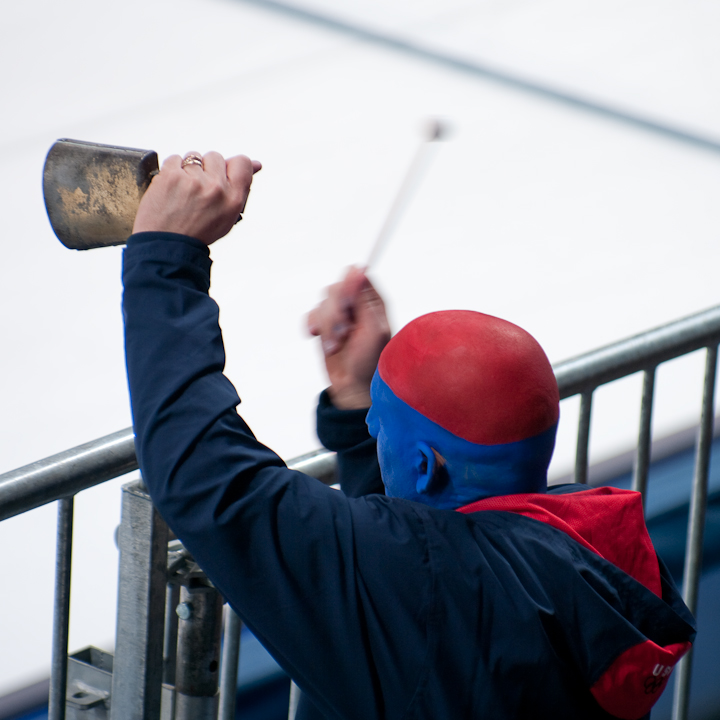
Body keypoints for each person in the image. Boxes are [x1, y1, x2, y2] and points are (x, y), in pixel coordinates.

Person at [123, 150, 696, 720]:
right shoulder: (592, 557)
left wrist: (166, 258)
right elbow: (428, 556)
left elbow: (211, 479)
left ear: (425, 467)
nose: (371, 425)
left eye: (379, 419)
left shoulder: (423, 587)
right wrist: (355, 406)